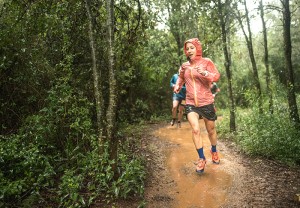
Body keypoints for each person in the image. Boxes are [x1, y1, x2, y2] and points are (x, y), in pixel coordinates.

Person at [174, 38, 220, 174]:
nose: (189, 51)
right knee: (195, 130)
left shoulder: (207, 62)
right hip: (190, 103)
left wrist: (205, 73)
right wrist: (178, 85)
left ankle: (214, 150)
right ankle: (201, 158)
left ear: (197, 48)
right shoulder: (184, 66)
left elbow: (216, 76)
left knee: (211, 130)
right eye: (187, 49)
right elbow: (181, 78)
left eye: (191, 48)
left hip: (206, 101)